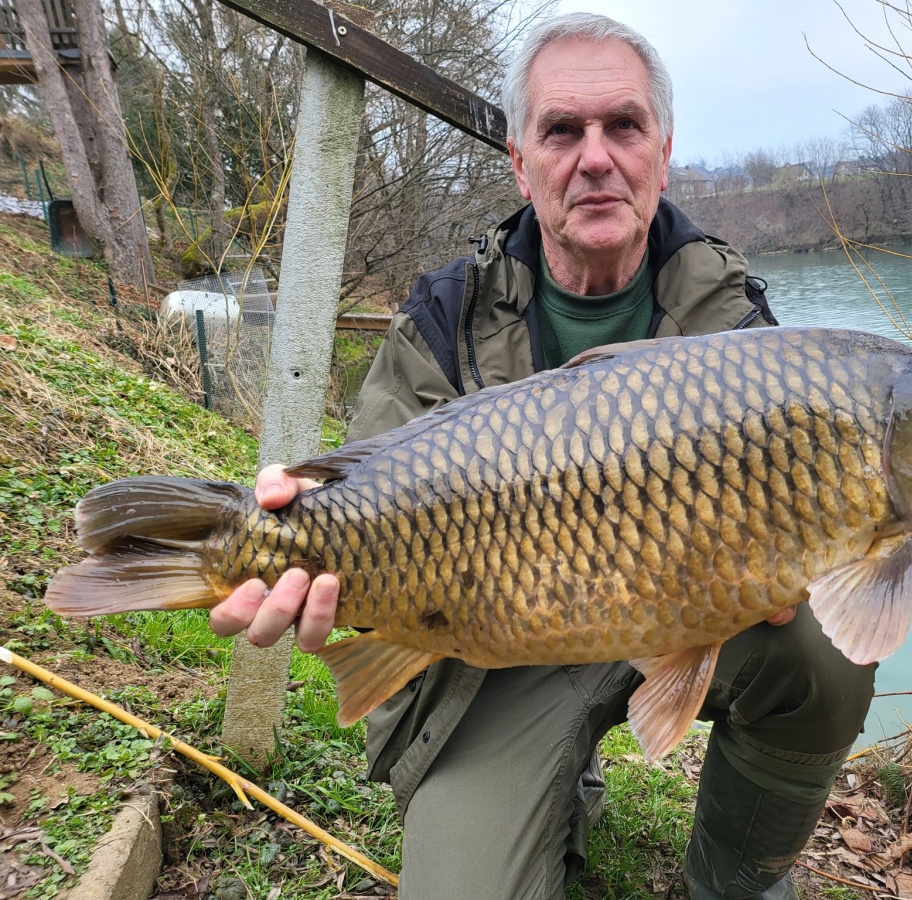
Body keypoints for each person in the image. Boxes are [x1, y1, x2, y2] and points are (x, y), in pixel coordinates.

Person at [209, 13, 876, 900]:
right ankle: (548, 789)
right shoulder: (441, 319)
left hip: (677, 620)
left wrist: (802, 567)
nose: (595, 157)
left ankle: (737, 880)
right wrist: (288, 542)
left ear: (662, 153)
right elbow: (357, 493)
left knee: (830, 648)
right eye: (563, 130)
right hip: (486, 653)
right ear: (522, 164)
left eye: (623, 127)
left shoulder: (733, 324)